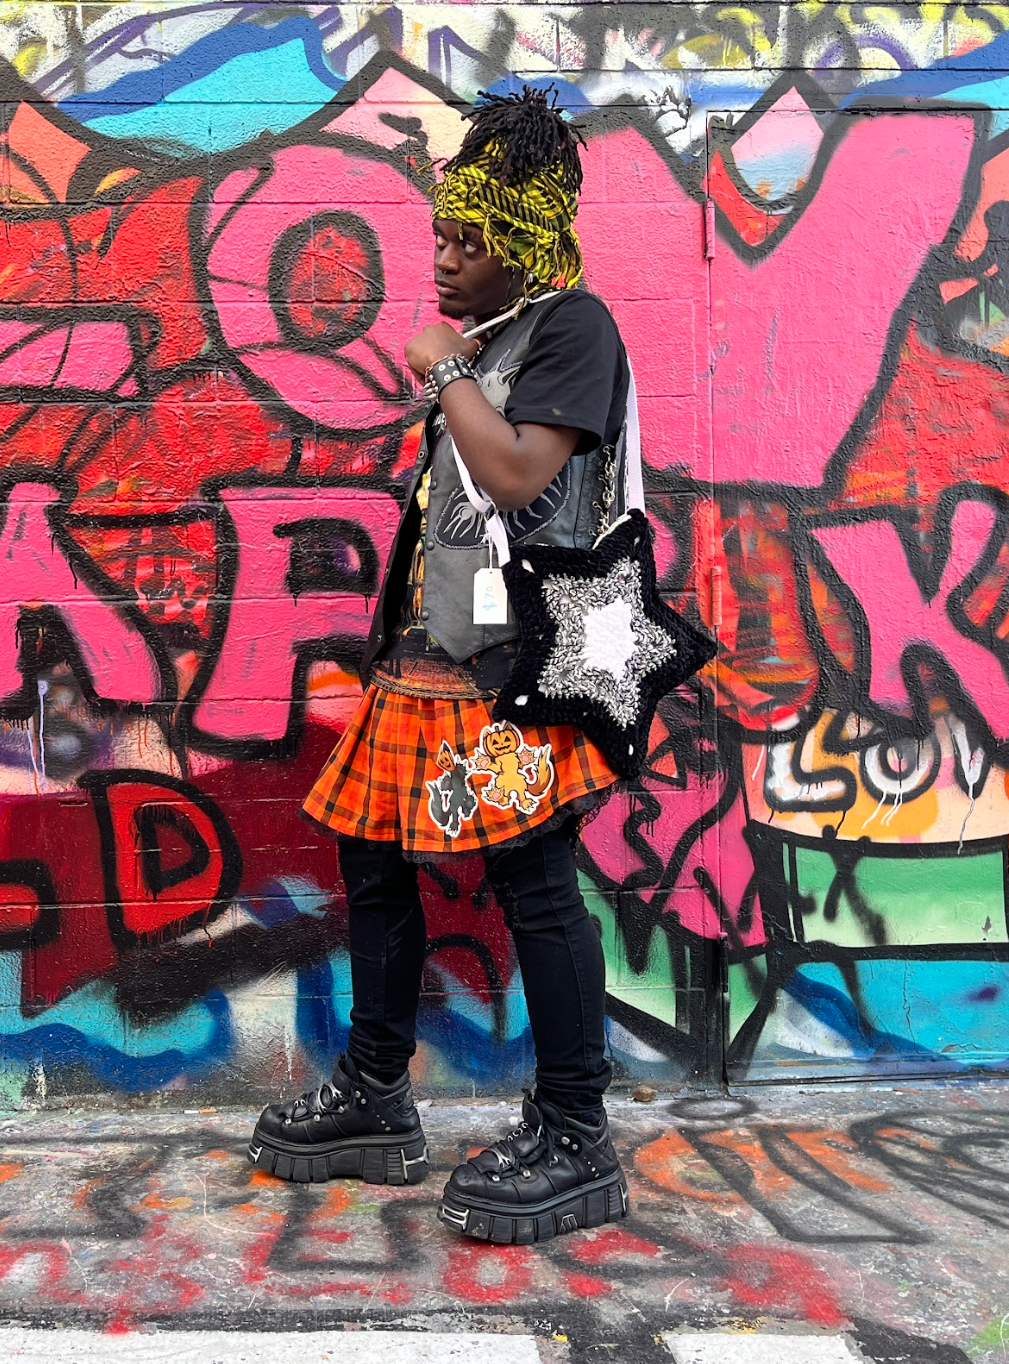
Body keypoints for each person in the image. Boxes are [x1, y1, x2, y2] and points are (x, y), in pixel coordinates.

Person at [248, 87, 632, 1244]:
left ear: (524, 245)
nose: (447, 262)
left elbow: (517, 476)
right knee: (370, 861)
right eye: (441, 239)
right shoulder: (490, 343)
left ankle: (575, 1131)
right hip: (430, 667)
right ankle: (375, 1094)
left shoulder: (575, 328)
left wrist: (439, 371)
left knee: (533, 883)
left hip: (517, 673)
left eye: (471, 243)